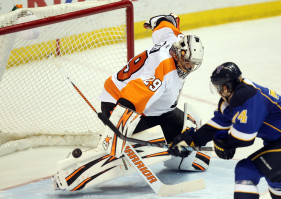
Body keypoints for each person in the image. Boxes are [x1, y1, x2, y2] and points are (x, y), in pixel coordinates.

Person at [52, 14, 210, 192]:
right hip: (118, 105)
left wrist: (157, 22)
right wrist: (116, 135)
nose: (189, 67)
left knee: (193, 146)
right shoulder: (162, 74)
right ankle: (75, 173)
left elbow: (165, 23)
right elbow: (130, 99)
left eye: (192, 64)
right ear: (177, 54)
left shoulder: (174, 40)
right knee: (135, 146)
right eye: (186, 62)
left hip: (152, 108)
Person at [168, 62, 281, 199]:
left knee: (246, 170)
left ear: (226, 87)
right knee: (276, 177)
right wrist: (191, 140)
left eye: (219, 87)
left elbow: (244, 137)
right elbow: (216, 125)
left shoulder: (248, 96)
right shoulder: (234, 98)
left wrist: (224, 143)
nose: (218, 91)